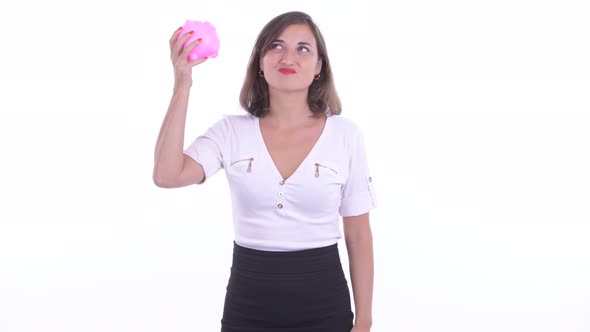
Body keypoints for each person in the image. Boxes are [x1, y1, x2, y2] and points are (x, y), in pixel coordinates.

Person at [153, 11, 376, 332]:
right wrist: (182, 83)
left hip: (325, 305)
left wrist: (365, 320)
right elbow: (166, 175)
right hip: (248, 306)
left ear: (318, 67)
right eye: (276, 45)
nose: (288, 56)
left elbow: (358, 235)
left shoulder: (345, 135)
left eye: (303, 48)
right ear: (260, 62)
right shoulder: (230, 132)